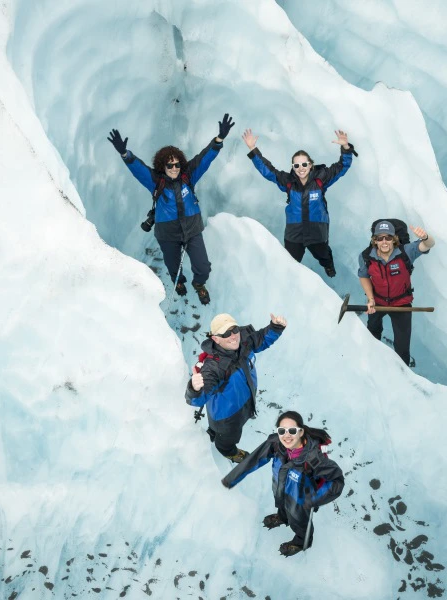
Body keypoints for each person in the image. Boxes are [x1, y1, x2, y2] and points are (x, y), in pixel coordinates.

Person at [107, 114, 235, 305]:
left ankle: (199, 285)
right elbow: (139, 169)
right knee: (173, 266)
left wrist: (219, 139)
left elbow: (204, 158)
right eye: (169, 165)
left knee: (203, 267)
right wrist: (126, 154)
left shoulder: (188, 176)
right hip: (168, 234)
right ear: (162, 166)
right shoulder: (156, 181)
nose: (174, 168)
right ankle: (179, 282)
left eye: (176, 164)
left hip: (192, 230)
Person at [222, 411, 344, 557]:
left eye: (292, 430)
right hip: (280, 488)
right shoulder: (275, 444)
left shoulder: (314, 459)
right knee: (282, 505)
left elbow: (337, 481)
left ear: (301, 432)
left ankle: (301, 542)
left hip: (300, 500)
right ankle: (282, 517)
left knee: (299, 522)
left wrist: (312, 500)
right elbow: (254, 459)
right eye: (282, 431)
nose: (287, 435)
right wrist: (232, 478)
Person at [241, 128, 357, 277]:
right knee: (289, 264)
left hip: (317, 230)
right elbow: (268, 171)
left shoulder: (321, 178)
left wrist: (346, 147)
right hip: (294, 233)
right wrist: (252, 148)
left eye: (304, 164)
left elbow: (342, 166)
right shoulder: (288, 182)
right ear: (293, 167)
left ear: (310, 165)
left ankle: (328, 265)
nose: (300, 168)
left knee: (323, 254)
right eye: (296, 165)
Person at [186, 312, 286, 462]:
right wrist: (194, 389)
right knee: (227, 438)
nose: (233, 336)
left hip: (244, 402)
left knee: (235, 425)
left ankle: (215, 433)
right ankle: (229, 452)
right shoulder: (213, 367)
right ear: (215, 339)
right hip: (226, 417)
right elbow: (197, 400)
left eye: (234, 330)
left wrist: (276, 327)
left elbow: (261, 339)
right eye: (226, 333)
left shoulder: (243, 343)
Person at [358, 220, 435, 366]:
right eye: (380, 238)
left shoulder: (406, 252)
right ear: (375, 240)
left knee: (402, 348)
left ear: (394, 239)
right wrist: (370, 298)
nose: (384, 241)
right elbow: (363, 275)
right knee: (372, 333)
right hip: (378, 302)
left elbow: (428, 245)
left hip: (402, 304)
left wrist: (425, 237)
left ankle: (403, 374)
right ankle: (373, 364)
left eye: (388, 237)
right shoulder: (366, 257)